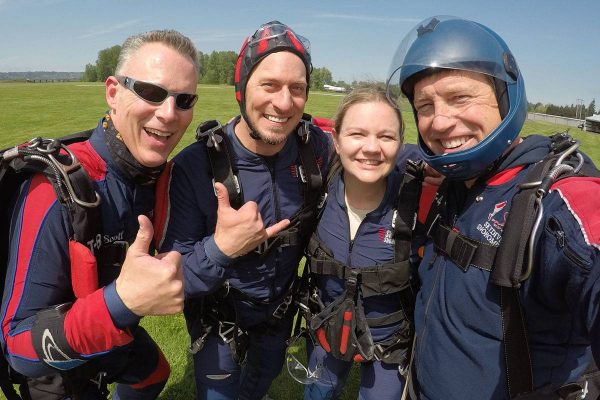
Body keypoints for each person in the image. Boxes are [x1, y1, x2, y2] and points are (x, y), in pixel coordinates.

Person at [386, 15, 600, 399]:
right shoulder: (450, 186)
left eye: (459, 97)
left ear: (505, 95)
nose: (440, 122)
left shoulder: (558, 198)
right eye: (425, 106)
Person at [0, 29, 198, 399]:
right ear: (113, 92)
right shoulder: (54, 189)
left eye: (184, 99)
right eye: (151, 92)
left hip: (110, 326)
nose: (169, 114)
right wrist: (122, 302)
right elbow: (17, 348)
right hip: (52, 363)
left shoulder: (162, 180)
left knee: (153, 374)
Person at [154, 21, 331, 400]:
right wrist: (221, 248)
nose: (284, 103)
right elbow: (171, 277)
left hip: (280, 311)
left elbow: (368, 148)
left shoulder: (314, 148)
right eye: (269, 85)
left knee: (261, 379)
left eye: (296, 89)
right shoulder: (195, 167)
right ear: (242, 88)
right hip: (220, 317)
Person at [298, 85, 422, 399]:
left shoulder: (419, 199)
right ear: (336, 140)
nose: (371, 148)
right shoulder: (320, 187)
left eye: (386, 136)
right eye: (357, 134)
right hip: (327, 327)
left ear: (400, 144)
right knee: (318, 394)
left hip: (389, 343)